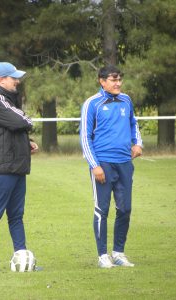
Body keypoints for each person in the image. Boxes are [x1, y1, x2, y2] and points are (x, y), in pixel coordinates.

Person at [0, 62, 38, 272]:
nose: (17, 81)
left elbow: (10, 129)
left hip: (16, 166)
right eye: (13, 78)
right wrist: (27, 122)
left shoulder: (7, 100)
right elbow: (21, 121)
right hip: (2, 168)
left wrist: (25, 142)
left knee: (16, 216)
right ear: (1, 79)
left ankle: (22, 258)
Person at [80, 65, 143, 268]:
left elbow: (134, 124)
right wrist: (94, 165)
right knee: (102, 209)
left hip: (125, 162)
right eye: (113, 79)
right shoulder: (92, 104)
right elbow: (85, 136)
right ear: (102, 81)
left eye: (119, 79)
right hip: (103, 164)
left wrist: (137, 143)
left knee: (125, 208)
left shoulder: (126, 100)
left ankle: (118, 252)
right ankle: (102, 255)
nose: (117, 83)